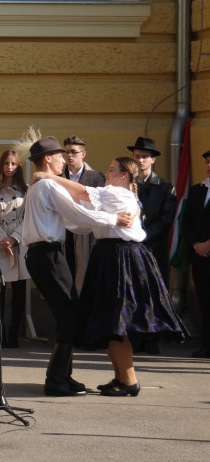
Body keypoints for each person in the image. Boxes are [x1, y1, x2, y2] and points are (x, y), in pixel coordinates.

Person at [32, 157, 187, 396]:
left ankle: (129, 381)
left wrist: (50, 177)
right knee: (108, 322)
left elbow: (84, 192)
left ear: (124, 175)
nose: (107, 172)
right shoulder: (114, 194)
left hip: (121, 258)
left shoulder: (118, 193)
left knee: (116, 322)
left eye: (112, 169)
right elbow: (83, 215)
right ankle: (121, 378)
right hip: (110, 256)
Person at [18, 133, 133, 396]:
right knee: (70, 316)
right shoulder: (47, 186)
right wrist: (112, 219)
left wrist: (102, 224)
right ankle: (56, 379)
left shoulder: (42, 186)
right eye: (60, 156)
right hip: (47, 255)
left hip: (46, 254)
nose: (63, 160)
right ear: (48, 159)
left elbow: (74, 224)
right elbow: (76, 214)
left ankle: (62, 376)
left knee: (67, 315)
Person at [128, 136, 176, 354]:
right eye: (137, 156)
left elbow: (166, 220)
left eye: (145, 157)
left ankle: (153, 337)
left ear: (153, 160)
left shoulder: (165, 187)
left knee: (154, 293)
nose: (140, 161)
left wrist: (143, 236)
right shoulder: (127, 184)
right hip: (130, 246)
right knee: (133, 292)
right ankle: (135, 336)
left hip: (152, 247)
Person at [0, 149, 28, 348]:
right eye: (6, 163)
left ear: (18, 167)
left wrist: (14, 238)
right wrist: (3, 239)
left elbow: (28, 217)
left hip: (19, 241)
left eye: (13, 164)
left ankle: (14, 333)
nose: (9, 167)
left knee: (19, 289)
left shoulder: (26, 190)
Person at [62, 136, 105, 294]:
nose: (69, 156)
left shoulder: (96, 177)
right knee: (65, 274)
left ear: (83, 154)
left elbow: (100, 206)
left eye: (73, 152)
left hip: (87, 234)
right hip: (63, 231)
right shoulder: (58, 176)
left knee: (86, 275)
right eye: (66, 152)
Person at [184, 149, 210, 358]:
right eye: (207, 162)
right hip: (200, 257)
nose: (209, 166)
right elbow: (188, 222)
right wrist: (196, 244)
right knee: (204, 301)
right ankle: (206, 344)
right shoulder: (197, 191)